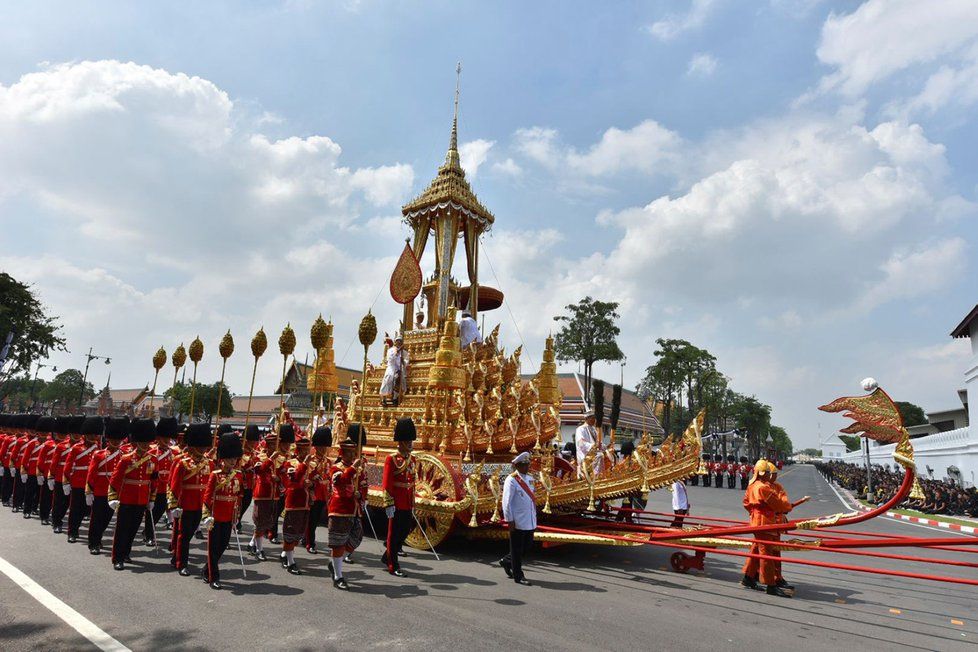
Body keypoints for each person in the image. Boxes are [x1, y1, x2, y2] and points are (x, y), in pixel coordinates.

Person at [740, 460, 809, 597]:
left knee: (757, 549)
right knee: (767, 554)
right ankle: (770, 584)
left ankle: (748, 577)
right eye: (768, 473)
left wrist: (754, 513)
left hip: (757, 521)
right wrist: (787, 508)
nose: (770, 475)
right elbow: (779, 505)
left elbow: (746, 503)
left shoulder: (752, 486)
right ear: (762, 473)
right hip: (766, 523)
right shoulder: (764, 488)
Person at [108, 418, 157, 571]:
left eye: (147, 443)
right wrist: (113, 497)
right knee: (122, 529)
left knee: (133, 529)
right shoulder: (126, 459)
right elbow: (115, 480)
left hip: (141, 499)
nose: (145, 446)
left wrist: (152, 499)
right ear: (136, 442)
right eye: (142, 443)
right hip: (126, 498)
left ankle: (126, 553)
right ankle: (118, 557)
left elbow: (154, 481)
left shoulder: (153, 459)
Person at [201, 431, 245, 590]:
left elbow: (239, 496)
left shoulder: (238, 475)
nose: (233, 461)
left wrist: (236, 515)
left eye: (234, 458)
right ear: (222, 458)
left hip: (228, 516)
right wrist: (206, 515)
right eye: (230, 458)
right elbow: (207, 495)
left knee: (223, 545)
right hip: (215, 515)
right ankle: (214, 577)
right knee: (213, 548)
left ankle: (207, 569)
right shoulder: (215, 475)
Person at [326, 424, 368, 590]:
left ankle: (335, 563)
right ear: (343, 453)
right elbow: (340, 480)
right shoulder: (336, 467)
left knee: (356, 537)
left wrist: (361, 494)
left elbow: (364, 484)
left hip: (354, 509)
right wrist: (352, 469)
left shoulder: (358, 468)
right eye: (349, 453)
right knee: (338, 542)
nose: (352, 455)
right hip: (339, 509)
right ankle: (338, 575)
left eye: (354, 452)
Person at [168, 423, 213, 576]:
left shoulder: (209, 463)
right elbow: (174, 485)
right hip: (185, 504)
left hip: (200, 505)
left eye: (204, 447)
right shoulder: (182, 462)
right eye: (200, 447)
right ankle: (182, 563)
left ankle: (177, 556)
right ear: (193, 446)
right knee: (184, 535)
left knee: (191, 532)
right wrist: (173, 505)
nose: (203, 450)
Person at [86, 417, 129, 555]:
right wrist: (89, 490)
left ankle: (98, 537)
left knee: (107, 518)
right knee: (97, 518)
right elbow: (91, 473)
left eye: (118, 440)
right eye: (113, 439)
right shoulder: (99, 454)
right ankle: (94, 542)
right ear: (108, 439)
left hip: (115, 492)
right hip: (99, 490)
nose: (116, 442)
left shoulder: (124, 455)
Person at [382, 418, 416, 577]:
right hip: (396, 502)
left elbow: (412, 482)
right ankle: (392, 564)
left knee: (405, 530)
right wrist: (389, 503)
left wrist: (413, 502)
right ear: (401, 441)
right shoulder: (392, 459)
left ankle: (387, 555)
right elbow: (387, 483)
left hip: (407, 502)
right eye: (408, 440)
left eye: (410, 440)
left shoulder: (412, 459)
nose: (410, 443)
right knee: (393, 534)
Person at [62, 416, 102, 543]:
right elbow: (68, 466)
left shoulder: (98, 448)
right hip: (78, 482)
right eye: (90, 435)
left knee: (87, 509)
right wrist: (66, 481)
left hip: (91, 484)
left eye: (94, 435)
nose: (92, 437)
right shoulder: (76, 448)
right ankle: (72, 532)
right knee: (75, 509)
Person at [249, 426, 286, 561]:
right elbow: (260, 470)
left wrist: (279, 478)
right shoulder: (260, 456)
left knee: (267, 523)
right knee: (260, 522)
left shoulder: (280, 459)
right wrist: (270, 459)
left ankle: (252, 543)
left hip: (274, 494)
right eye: (273, 445)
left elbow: (284, 473)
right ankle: (259, 549)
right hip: (262, 493)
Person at [499, 451, 536, 586]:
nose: (527, 467)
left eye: (528, 464)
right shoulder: (512, 479)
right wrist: (510, 520)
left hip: (529, 519)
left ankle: (507, 561)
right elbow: (506, 502)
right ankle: (518, 575)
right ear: (518, 465)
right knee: (517, 549)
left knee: (527, 546)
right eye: (524, 465)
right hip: (518, 520)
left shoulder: (530, 478)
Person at [279, 435, 312, 575]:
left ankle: (285, 554)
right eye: (303, 450)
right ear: (298, 450)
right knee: (291, 531)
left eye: (307, 449)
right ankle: (291, 561)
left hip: (305, 502)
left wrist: (312, 483)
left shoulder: (311, 463)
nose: (306, 452)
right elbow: (292, 482)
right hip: (293, 501)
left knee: (299, 532)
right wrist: (304, 465)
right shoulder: (290, 463)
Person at [143, 416, 177, 546]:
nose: (167, 441)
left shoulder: (172, 453)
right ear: (158, 438)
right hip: (153, 487)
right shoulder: (151, 451)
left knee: (159, 512)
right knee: (150, 512)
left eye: (168, 439)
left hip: (165, 488)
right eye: (164, 438)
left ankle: (148, 531)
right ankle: (149, 535)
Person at [305, 425, 332, 554]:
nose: (323, 449)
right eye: (320, 446)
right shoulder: (311, 460)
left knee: (314, 520)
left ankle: (307, 539)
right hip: (313, 494)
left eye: (324, 446)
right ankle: (310, 543)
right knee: (312, 519)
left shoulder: (328, 462)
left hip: (323, 494)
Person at [379, 336, 408, 407]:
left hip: (399, 368)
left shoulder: (404, 352)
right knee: (388, 379)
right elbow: (390, 359)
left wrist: (403, 361)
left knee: (398, 379)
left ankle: (395, 398)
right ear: (395, 342)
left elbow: (406, 361)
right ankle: (384, 398)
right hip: (391, 368)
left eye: (400, 341)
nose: (399, 342)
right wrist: (397, 352)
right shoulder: (390, 350)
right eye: (398, 341)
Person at [574, 410, 602, 478]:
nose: (594, 420)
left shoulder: (594, 429)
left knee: (604, 455)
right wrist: (593, 446)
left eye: (594, 418)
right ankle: (595, 476)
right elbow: (581, 443)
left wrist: (605, 447)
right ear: (586, 419)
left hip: (594, 453)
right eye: (592, 418)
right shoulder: (580, 429)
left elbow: (597, 443)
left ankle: (600, 476)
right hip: (585, 456)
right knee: (599, 456)